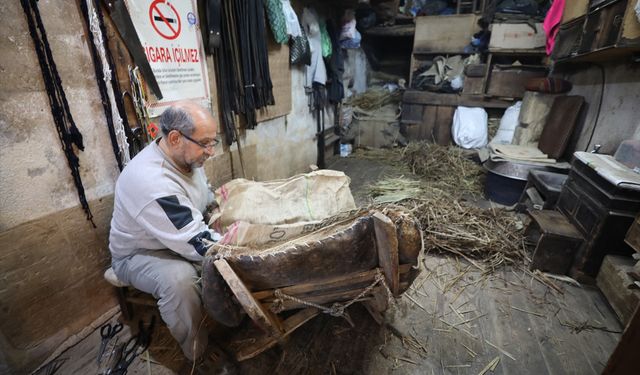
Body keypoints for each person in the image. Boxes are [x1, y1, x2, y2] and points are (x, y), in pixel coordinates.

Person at [108, 101, 222, 365]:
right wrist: (240, 250)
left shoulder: (186, 155)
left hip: (174, 237)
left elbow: (202, 195)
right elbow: (196, 242)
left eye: (213, 142)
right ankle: (197, 353)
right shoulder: (151, 180)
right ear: (174, 138)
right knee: (179, 280)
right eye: (206, 143)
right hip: (138, 254)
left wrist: (217, 208)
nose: (211, 151)